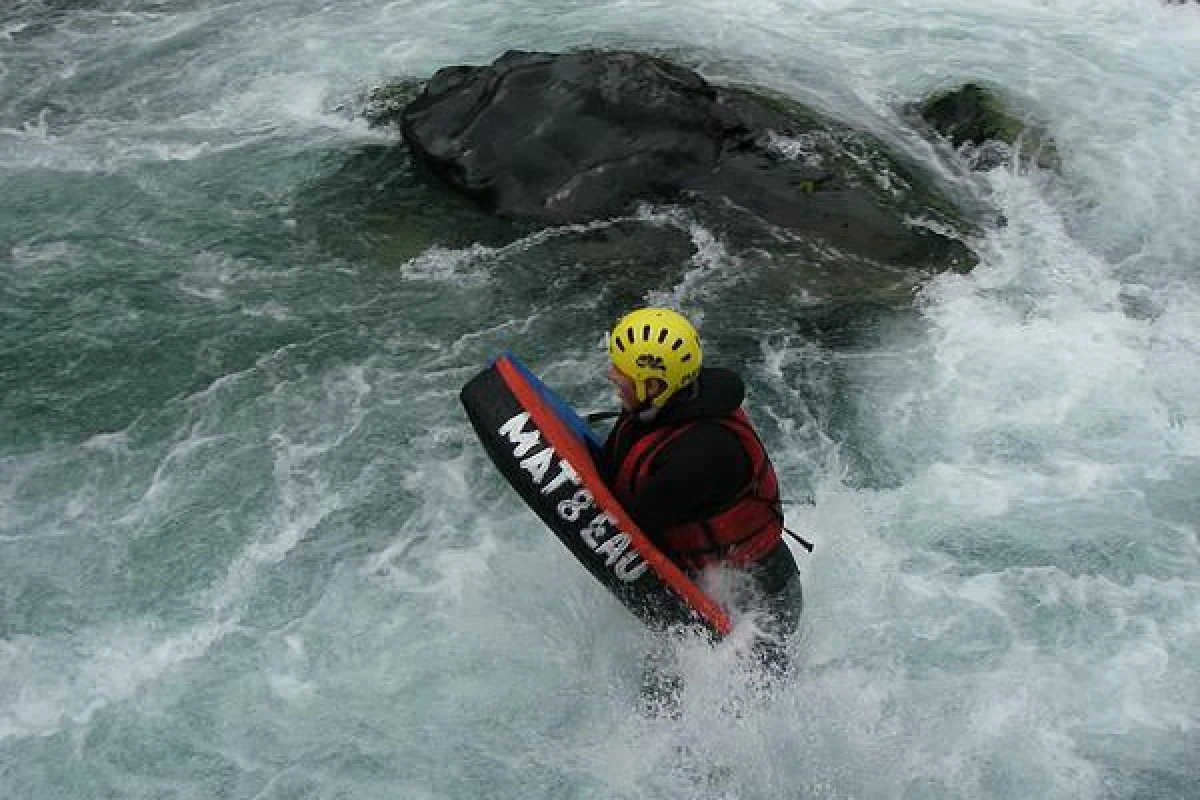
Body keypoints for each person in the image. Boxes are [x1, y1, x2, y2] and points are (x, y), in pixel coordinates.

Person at [598, 307, 803, 703]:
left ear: (654, 384)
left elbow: (628, 528)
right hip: (723, 584)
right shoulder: (665, 407)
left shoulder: (697, 458)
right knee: (662, 695)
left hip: (760, 605)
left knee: (737, 712)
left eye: (621, 370)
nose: (611, 375)